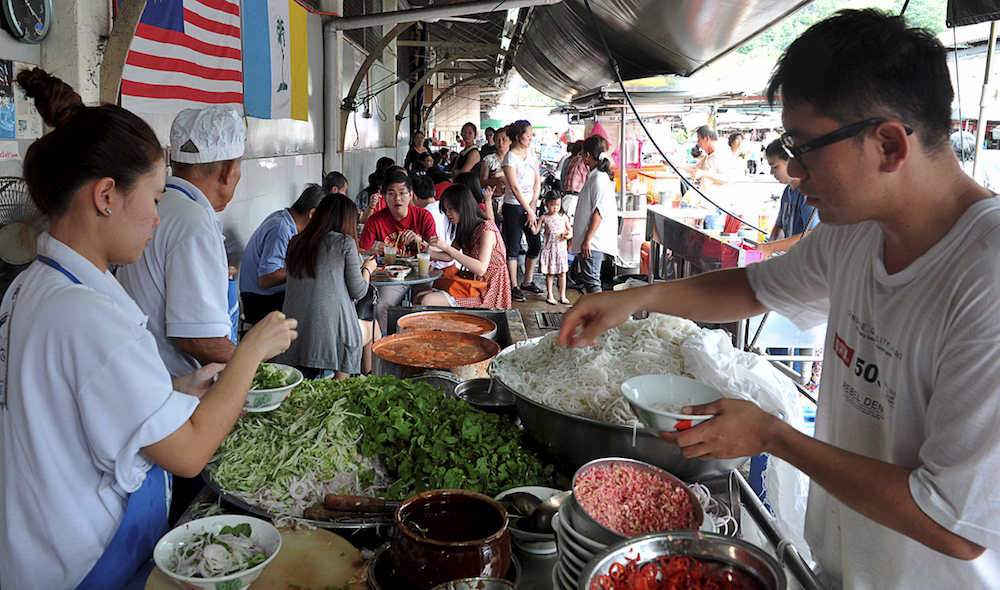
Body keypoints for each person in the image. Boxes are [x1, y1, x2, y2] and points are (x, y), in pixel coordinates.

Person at [560, 10, 1000, 590]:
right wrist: (640, 297)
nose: (793, 170)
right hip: (840, 570)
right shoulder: (855, 231)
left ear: (889, 144)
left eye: (805, 147)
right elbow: (754, 287)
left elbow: (954, 522)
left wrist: (773, 437)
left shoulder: (984, 277)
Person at [0, 68, 296, 590]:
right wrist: (251, 352)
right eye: (155, 199)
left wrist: (177, 387)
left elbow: (75, 403)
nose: (158, 219)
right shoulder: (87, 316)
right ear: (106, 196)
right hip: (81, 563)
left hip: (36, 546)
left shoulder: (31, 286)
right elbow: (188, 454)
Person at [118, 104, 246, 378]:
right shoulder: (193, 222)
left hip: (142, 375)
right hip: (176, 387)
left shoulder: (160, 204)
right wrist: (257, 367)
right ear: (228, 170)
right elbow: (198, 339)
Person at [276, 195, 378, 379]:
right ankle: (354, 384)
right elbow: (359, 291)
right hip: (329, 335)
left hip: (294, 331)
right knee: (372, 328)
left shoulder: (296, 242)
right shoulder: (344, 242)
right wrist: (367, 270)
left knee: (339, 325)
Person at [239, 184, 328, 325]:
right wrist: (304, 270)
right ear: (312, 214)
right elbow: (266, 280)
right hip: (259, 302)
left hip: (268, 297)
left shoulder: (284, 219)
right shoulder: (281, 228)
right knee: (317, 308)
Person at [359, 170, 437, 330]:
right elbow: (361, 249)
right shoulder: (375, 220)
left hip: (421, 273)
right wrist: (372, 249)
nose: (397, 198)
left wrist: (420, 242)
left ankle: (418, 339)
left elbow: (435, 250)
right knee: (382, 306)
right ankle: (386, 340)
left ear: (411, 195)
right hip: (391, 276)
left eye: (402, 193)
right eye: (391, 193)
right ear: (384, 196)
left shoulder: (424, 216)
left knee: (423, 305)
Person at [415, 184, 511, 309]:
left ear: (463, 207)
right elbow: (448, 256)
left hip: (488, 290)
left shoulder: (486, 230)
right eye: (446, 209)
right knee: (418, 297)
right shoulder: (465, 228)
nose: (448, 214)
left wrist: (446, 247)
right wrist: (424, 247)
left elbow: (480, 268)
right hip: (473, 284)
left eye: (450, 209)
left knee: (426, 300)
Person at [754, 139, 820, 257]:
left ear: (792, 162)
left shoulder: (807, 193)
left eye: (775, 167)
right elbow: (779, 227)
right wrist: (766, 249)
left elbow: (812, 234)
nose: (772, 172)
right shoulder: (787, 192)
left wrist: (770, 247)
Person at [570, 135, 618, 294]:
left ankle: (599, 310)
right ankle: (595, 309)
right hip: (590, 239)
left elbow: (600, 211)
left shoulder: (599, 178)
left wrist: (587, 239)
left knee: (592, 282)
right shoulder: (595, 176)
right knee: (589, 280)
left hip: (593, 241)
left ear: (587, 155)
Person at [502, 119, 543, 302]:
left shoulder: (531, 153)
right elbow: (514, 187)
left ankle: (527, 281)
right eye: (528, 135)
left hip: (530, 206)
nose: (530, 138)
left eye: (532, 135)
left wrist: (533, 203)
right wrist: (528, 209)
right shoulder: (510, 157)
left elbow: (537, 180)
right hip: (513, 207)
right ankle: (513, 286)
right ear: (518, 136)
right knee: (513, 247)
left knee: (535, 243)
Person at [533, 191, 572, 304]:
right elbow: (536, 231)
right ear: (546, 204)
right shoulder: (544, 217)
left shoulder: (563, 217)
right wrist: (531, 224)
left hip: (561, 251)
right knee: (550, 273)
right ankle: (550, 295)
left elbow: (570, 230)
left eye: (558, 205)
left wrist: (568, 236)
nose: (555, 208)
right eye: (552, 205)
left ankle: (562, 295)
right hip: (549, 250)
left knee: (562, 273)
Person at [561, 140, 588, 225]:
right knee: (571, 226)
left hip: (566, 197)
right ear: (580, 153)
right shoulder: (581, 161)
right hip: (574, 198)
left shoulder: (569, 161)